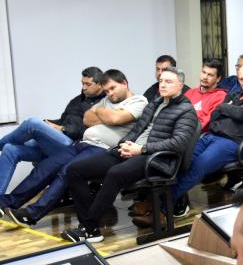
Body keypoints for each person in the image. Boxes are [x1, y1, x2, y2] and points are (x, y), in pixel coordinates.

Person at [61, 67, 199, 242]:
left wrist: (141, 149)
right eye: (161, 81)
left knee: (115, 173)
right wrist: (124, 144)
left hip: (156, 159)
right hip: (133, 150)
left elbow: (178, 144)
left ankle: (87, 228)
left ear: (180, 85)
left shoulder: (186, 111)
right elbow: (136, 130)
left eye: (169, 81)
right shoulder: (154, 104)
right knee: (75, 170)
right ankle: (91, 227)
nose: (163, 85)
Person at [135, 64, 243, 227]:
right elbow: (215, 115)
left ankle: (160, 210)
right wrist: (232, 110)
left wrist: (227, 108)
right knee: (182, 162)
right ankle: (159, 203)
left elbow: (239, 113)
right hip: (211, 136)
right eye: (241, 79)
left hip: (233, 143)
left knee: (198, 166)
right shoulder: (236, 95)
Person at [2, 70, 147, 226]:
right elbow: (87, 119)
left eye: (113, 88)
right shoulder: (107, 100)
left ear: (124, 83)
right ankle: (8, 202)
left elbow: (115, 118)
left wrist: (99, 111)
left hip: (103, 149)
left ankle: (31, 214)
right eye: (106, 91)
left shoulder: (138, 101)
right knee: (45, 166)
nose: (110, 94)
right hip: (82, 143)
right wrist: (106, 115)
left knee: (66, 171)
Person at [0, 66, 105, 196]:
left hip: (75, 148)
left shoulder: (104, 104)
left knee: (32, 122)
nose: (84, 87)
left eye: (88, 84)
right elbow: (62, 120)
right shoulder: (77, 100)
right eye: (82, 83)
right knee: (10, 149)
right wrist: (48, 123)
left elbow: (92, 131)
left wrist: (63, 129)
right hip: (57, 145)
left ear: (100, 84)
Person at [185, 59, 227, 131]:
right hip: (181, 130)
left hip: (199, 134)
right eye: (203, 72)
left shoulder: (220, 96)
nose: (205, 77)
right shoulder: (190, 92)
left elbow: (206, 122)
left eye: (210, 75)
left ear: (218, 78)